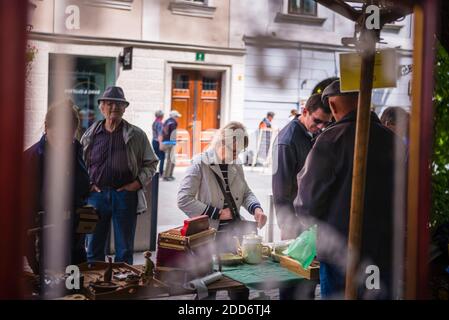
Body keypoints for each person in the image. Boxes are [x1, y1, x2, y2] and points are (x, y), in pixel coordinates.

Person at [294, 80, 407, 299]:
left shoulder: (331, 139)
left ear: (333, 106)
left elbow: (307, 203)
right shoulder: (394, 141)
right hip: (383, 251)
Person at [177, 121, 267, 299]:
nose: (236, 156)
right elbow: (183, 199)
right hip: (208, 237)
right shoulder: (199, 163)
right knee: (208, 290)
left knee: (240, 287)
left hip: (233, 237)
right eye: (234, 150)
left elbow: (246, 192)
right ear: (221, 142)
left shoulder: (236, 164)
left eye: (239, 151)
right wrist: (215, 212)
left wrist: (256, 209)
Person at [81, 86, 159, 265]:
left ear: (125, 108)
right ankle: (97, 286)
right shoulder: (90, 135)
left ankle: (121, 288)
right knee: (93, 247)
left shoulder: (137, 135)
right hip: (96, 197)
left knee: (124, 249)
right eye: (109, 103)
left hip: (124, 196)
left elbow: (151, 163)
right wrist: (89, 185)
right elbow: (81, 163)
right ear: (101, 107)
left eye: (118, 104)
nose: (114, 108)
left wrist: (136, 184)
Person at [272, 93, 332, 300]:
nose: (321, 127)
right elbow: (281, 192)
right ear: (304, 111)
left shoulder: (313, 133)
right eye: (317, 121)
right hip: (294, 226)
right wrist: (288, 228)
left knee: (307, 287)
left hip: (311, 223)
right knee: (291, 286)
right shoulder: (286, 140)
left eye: (326, 123)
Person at [23, 99, 90, 275]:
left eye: (68, 137)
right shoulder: (31, 158)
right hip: (44, 236)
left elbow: (81, 187)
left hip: (75, 234)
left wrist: (85, 211)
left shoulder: (76, 149)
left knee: (75, 283)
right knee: (50, 285)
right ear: (46, 127)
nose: (63, 143)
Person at [161, 110, 181, 181]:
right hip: (170, 143)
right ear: (174, 117)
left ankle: (169, 175)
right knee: (171, 160)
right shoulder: (173, 123)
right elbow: (173, 134)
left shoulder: (167, 121)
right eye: (177, 117)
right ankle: (167, 176)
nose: (178, 118)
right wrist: (175, 142)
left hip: (165, 142)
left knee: (171, 160)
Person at [152, 110, 165, 176]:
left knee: (156, 157)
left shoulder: (154, 122)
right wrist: (161, 144)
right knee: (162, 157)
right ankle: (161, 173)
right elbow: (160, 135)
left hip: (154, 141)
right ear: (161, 116)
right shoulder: (160, 123)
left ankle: (154, 171)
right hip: (158, 141)